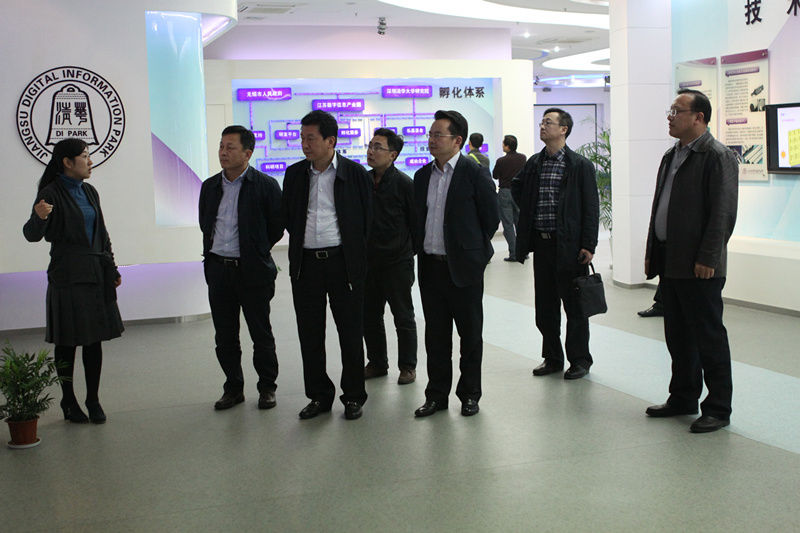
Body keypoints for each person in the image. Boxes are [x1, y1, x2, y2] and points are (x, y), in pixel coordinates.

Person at [644, 89, 738, 433]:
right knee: (678, 335)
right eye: (670, 110)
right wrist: (652, 253)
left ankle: (718, 408)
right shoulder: (672, 154)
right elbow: (661, 206)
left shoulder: (717, 156)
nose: (670, 117)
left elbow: (723, 213)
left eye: (677, 111)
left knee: (708, 337)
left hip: (700, 264)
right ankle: (683, 397)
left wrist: (708, 257)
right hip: (671, 259)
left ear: (699, 117)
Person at [23, 138, 124, 424]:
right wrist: (39, 217)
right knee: (68, 341)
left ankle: (93, 399)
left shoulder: (90, 191)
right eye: (85, 156)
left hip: (95, 273)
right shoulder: (50, 193)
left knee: (94, 340)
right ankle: (68, 400)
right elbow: (31, 234)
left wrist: (112, 268)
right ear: (67, 162)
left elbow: (102, 234)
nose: (90, 161)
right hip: (67, 276)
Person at [282, 110, 372, 421]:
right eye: (302, 138)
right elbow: (289, 216)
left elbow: (367, 221)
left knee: (350, 333)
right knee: (310, 334)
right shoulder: (295, 174)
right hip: (306, 265)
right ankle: (319, 395)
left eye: (311, 138)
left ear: (330, 141)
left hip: (342, 264)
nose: (304, 144)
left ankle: (353, 396)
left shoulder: (355, 174)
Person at [413, 110, 499, 417]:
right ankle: (436, 395)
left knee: (470, 335)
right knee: (435, 336)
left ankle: (470, 394)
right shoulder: (422, 176)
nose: (432, 140)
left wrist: (473, 253)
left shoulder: (474, 173)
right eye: (430, 134)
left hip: (464, 269)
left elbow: (491, 219)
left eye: (438, 135)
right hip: (430, 267)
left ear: (457, 140)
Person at [199, 126, 283, 411]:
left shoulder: (266, 185)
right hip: (218, 270)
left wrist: (255, 250)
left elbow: (276, 226)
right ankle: (233, 388)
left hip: (252, 271)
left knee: (261, 333)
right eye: (221, 146)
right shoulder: (210, 186)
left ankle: (267, 387)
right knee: (225, 336)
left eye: (230, 147)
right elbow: (205, 223)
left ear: (247, 153)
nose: (223, 152)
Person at [512, 108, 599, 380]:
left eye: (548, 122)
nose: (542, 126)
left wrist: (588, 244)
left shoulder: (579, 165)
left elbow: (591, 208)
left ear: (563, 129)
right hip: (543, 246)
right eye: (542, 122)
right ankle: (552, 357)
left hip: (570, 247)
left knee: (575, 307)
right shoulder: (534, 163)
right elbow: (517, 187)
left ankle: (580, 360)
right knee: (545, 307)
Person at [363, 128, 418, 385]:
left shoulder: (405, 184)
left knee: (403, 316)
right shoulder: (363, 181)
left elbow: (416, 224)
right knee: (369, 316)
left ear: (393, 155)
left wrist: (405, 252)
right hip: (368, 262)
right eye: (370, 145)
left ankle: (407, 366)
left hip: (397, 262)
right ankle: (377, 362)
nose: (371, 151)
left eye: (378, 147)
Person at [492, 134, 527, 261]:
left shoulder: (501, 161)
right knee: (519, 223)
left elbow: (495, 175)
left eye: (503, 143)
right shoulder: (522, 158)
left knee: (507, 225)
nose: (502, 145)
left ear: (507, 146)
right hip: (519, 193)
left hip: (505, 193)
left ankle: (514, 253)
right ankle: (523, 252)